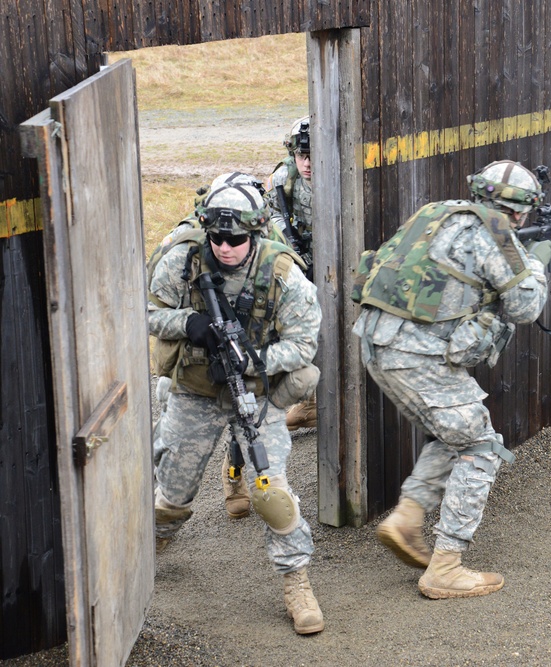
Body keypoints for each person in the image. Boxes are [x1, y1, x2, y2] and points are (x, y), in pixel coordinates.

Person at [351, 159, 551, 599]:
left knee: (454, 431)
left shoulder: (437, 214)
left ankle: (407, 520)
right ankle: (445, 567)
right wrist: (538, 262)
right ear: (520, 212)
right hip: (418, 357)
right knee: (481, 445)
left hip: (378, 346)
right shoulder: (496, 232)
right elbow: (526, 307)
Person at [148, 177, 325, 634]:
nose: (226, 247)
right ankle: (146, 559)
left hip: (256, 392)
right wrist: (188, 323)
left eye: (237, 239)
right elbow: (146, 311)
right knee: (172, 492)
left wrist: (256, 360)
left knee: (272, 491)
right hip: (196, 390)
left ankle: (297, 583)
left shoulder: (282, 272)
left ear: (256, 233)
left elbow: (305, 344)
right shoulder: (184, 258)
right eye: (218, 237)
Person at [265, 116, 317, 432]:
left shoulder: (344, 174)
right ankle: (310, 404)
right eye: (302, 156)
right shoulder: (285, 178)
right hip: (301, 263)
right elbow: (267, 213)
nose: (308, 163)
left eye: (314, 155)